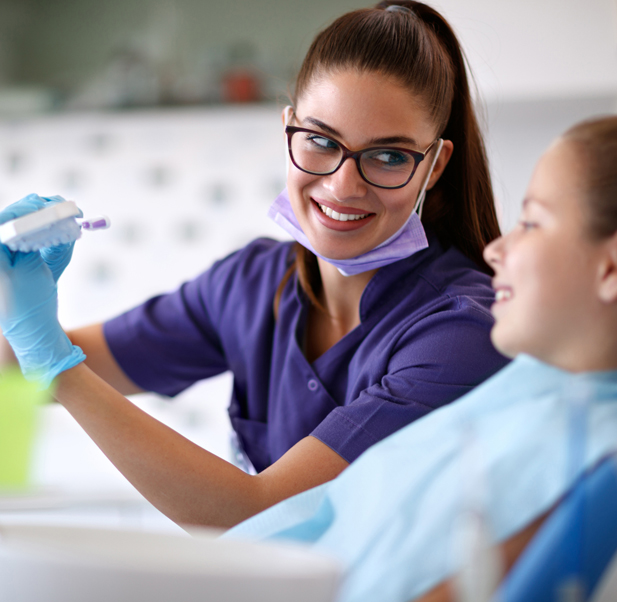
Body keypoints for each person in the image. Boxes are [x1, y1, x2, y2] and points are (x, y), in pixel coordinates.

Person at [0, 1, 506, 529]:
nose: (342, 185)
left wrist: (52, 361)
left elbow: (262, 510)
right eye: (320, 141)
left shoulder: (462, 332)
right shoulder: (252, 283)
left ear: (434, 165)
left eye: (388, 156)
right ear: (288, 129)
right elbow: (27, 365)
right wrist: (16, 307)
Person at [223, 115, 617, 602]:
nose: (496, 249)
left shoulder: (592, 456)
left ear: (610, 267)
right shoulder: (530, 389)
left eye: (532, 222)